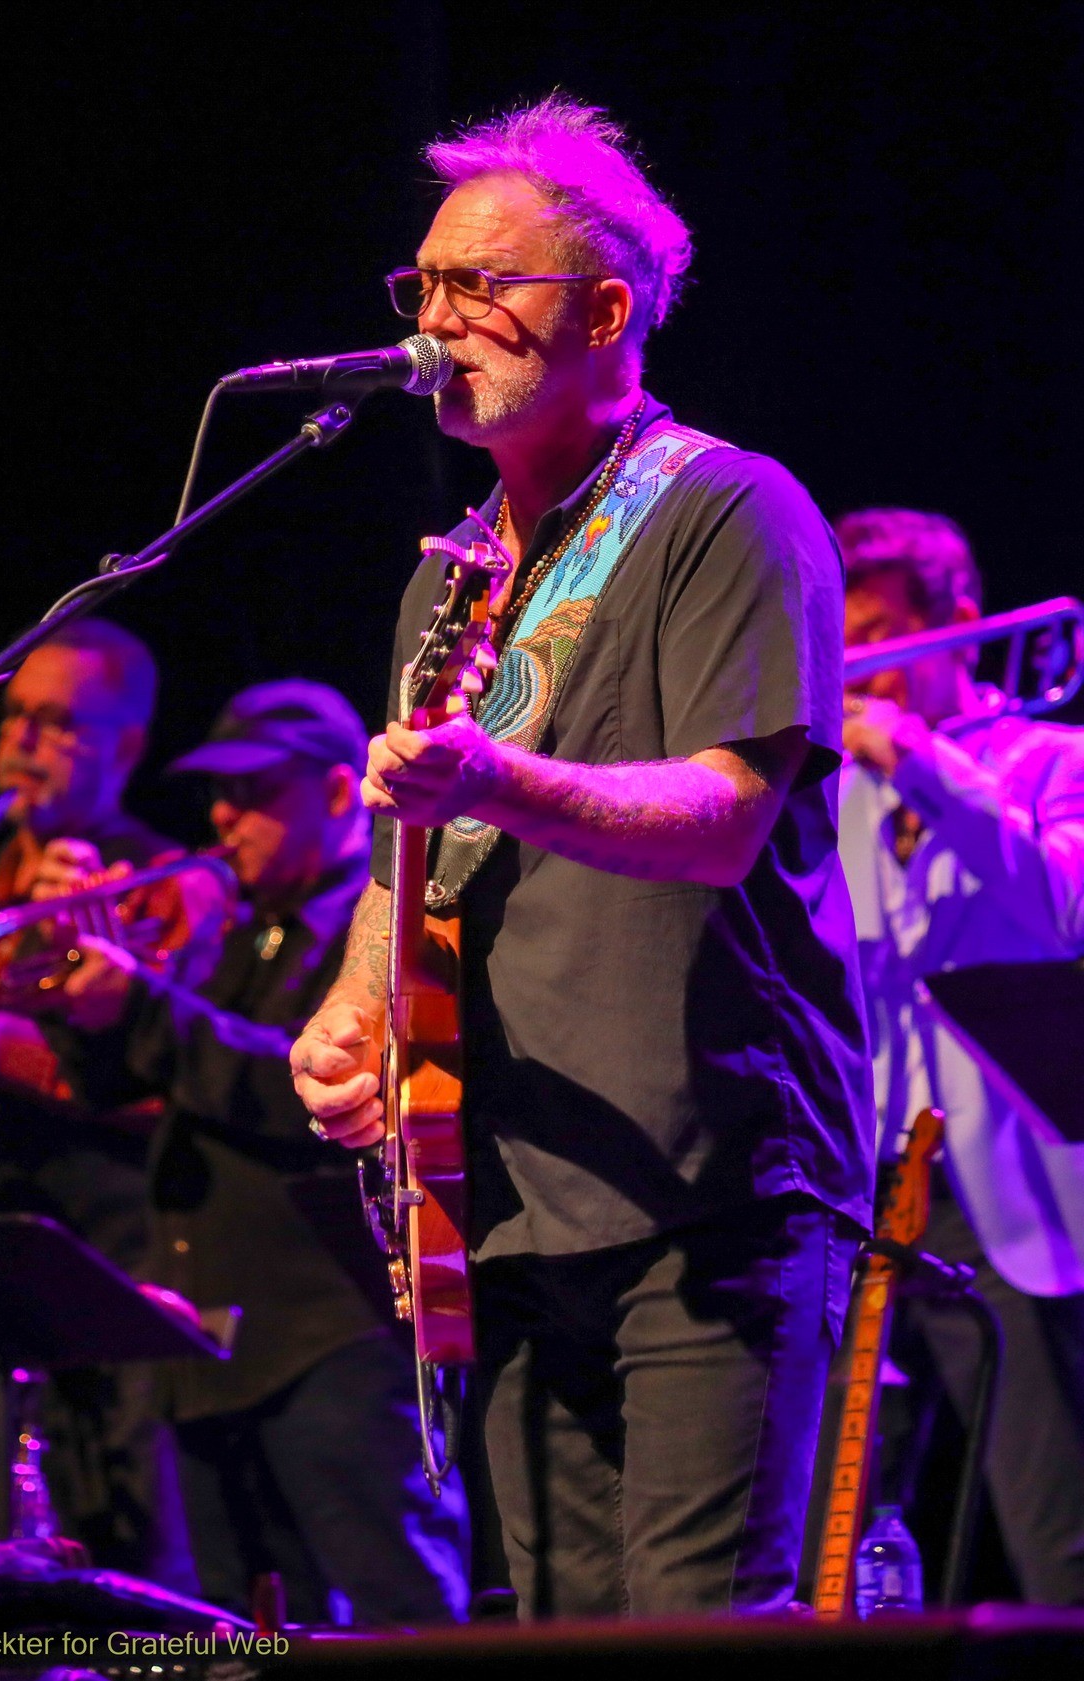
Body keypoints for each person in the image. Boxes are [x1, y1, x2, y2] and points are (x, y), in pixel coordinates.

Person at [289, 95, 872, 1617]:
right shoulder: (450, 579)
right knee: (541, 1640)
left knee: (695, 1627)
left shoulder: (724, 506)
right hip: (504, 1203)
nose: (438, 318)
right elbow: (406, 852)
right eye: (421, 284)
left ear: (610, 312)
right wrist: (355, 1006)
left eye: (485, 285)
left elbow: (729, 812)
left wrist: (504, 774)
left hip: (710, 1185)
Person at [58, 681, 470, 1626]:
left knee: (401, 1613)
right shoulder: (243, 930)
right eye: (217, 795)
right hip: (219, 1356)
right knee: (242, 1633)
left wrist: (148, 1004)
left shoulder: (364, 932)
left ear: (336, 795)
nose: (221, 817)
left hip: (335, 1347)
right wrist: (95, 997)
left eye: (252, 794)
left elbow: (302, 1093)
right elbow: (153, 1091)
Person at [0, 617, 227, 1584]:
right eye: (16, 716)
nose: (22, 741)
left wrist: (31, 1057)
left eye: (58, 724)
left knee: (133, 1545)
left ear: (125, 748)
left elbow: (202, 1093)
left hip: (122, 1254)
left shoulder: (171, 886)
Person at [837, 507, 1084, 1606]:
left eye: (881, 635)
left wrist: (927, 770)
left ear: (961, 629)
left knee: (1049, 1520)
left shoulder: (1050, 758)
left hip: (1007, 1192)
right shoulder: (834, 789)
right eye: (841, 643)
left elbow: (1065, 909)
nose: (862, 672)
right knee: (853, 1534)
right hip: (869, 1193)